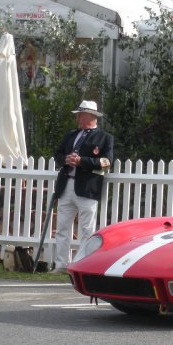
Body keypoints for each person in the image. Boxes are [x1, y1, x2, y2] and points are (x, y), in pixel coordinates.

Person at [51, 100, 114, 273]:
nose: (78, 118)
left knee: (87, 229)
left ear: (91, 116)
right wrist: (66, 159)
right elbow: (57, 154)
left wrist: (82, 161)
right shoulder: (71, 135)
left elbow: (106, 162)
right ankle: (61, 264)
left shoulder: (105, 137)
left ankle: (84, 265)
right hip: (66, 185)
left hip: (87, 188)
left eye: (81, 114)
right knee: (62, 227)